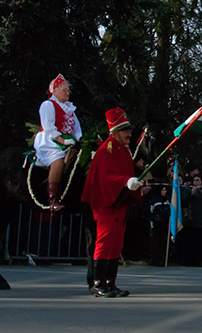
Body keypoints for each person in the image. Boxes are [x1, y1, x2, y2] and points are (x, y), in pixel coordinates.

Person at [81, 107, 143, 297]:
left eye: (129, 130)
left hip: (118, 202)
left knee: (116, 243)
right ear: (115, 132)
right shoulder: (105, 151)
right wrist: (125, 181)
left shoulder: (123, 151)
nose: (129, 134)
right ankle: (98, 283)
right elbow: (106, 177)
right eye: (125, 130)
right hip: (106, 203)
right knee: (105, 242)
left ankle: (110, 282)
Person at [33, 74, 83, 211]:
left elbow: (77, 129)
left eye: (68, 90)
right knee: (58, 162)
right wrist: (60, 139)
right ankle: (53, 199)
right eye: (64, 90)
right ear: (54, 91)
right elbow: (48, 126)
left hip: (68, 141)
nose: (67, 93)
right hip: (51, 141)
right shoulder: (48, 105)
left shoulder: (70, 110)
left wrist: (79, 139)